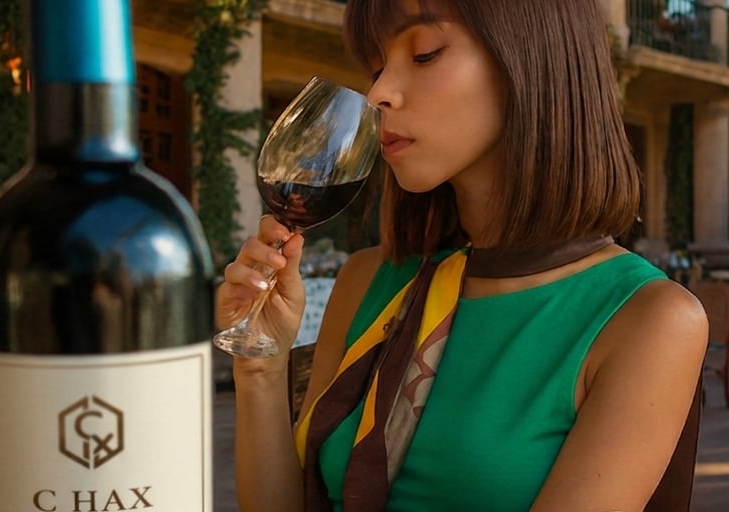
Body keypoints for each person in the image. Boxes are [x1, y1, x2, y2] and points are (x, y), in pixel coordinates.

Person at [217, 0, 709, 510]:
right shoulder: (369, 279)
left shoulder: (646, 318)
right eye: (377, 68)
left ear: (531, 58)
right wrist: (260, 368)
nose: (379, 92)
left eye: (425, 54)